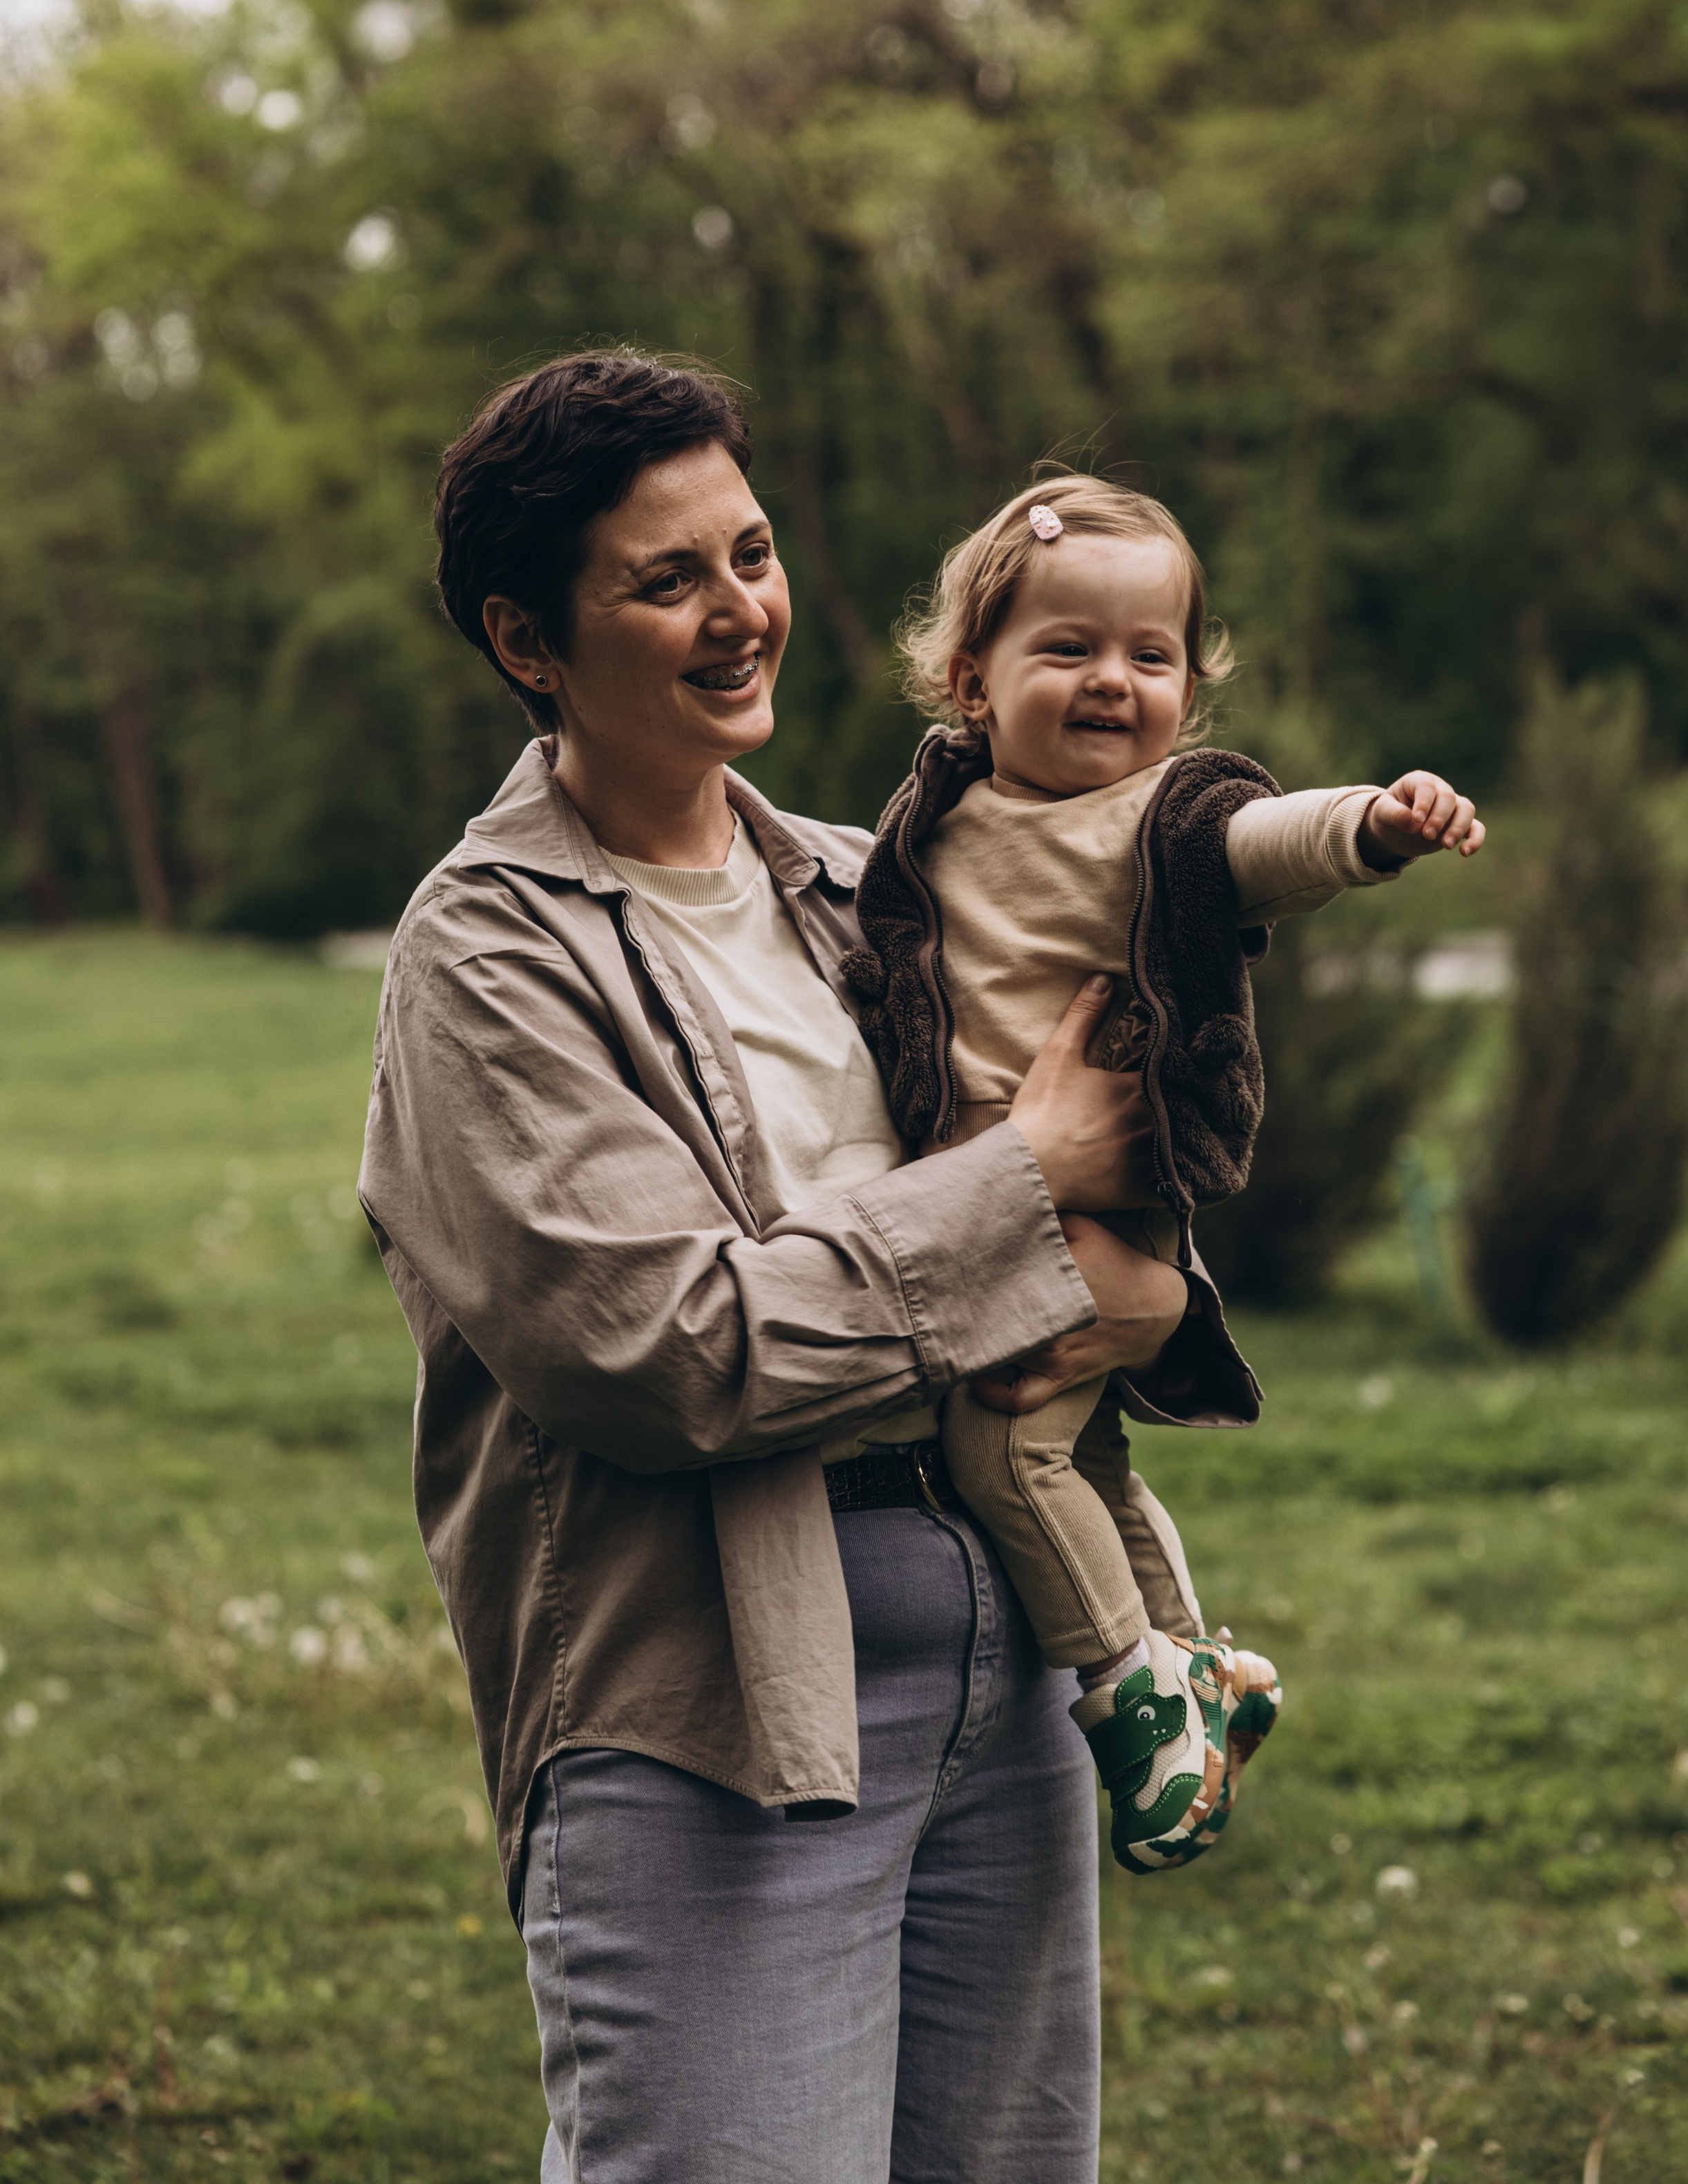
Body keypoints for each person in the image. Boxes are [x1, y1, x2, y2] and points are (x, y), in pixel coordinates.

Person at [358, 355, 1255, 2184]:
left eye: (748, 555)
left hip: (1011, 1670)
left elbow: (1130, 1267)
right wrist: (1031, 1180)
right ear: (533, 640)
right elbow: (673, 1349)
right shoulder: (489, 956)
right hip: (714, 1705)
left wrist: (1112, 1267)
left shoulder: (875, 889)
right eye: (662, 580)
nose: (735, 612)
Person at [842, 475, 1483, 1874]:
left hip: (1094, 1231)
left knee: (999, 1443)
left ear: (1188, 690)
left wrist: (1370, 828)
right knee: (1082, 1454)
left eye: (1149, 656)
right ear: (968, 679)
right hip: (1003, 1213)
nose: (1109, 682)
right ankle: (1201, 1666)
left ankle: (1131, 1698)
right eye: (1064, 648)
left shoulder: (1161, 826)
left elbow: (1265, 848)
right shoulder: (934, 822)